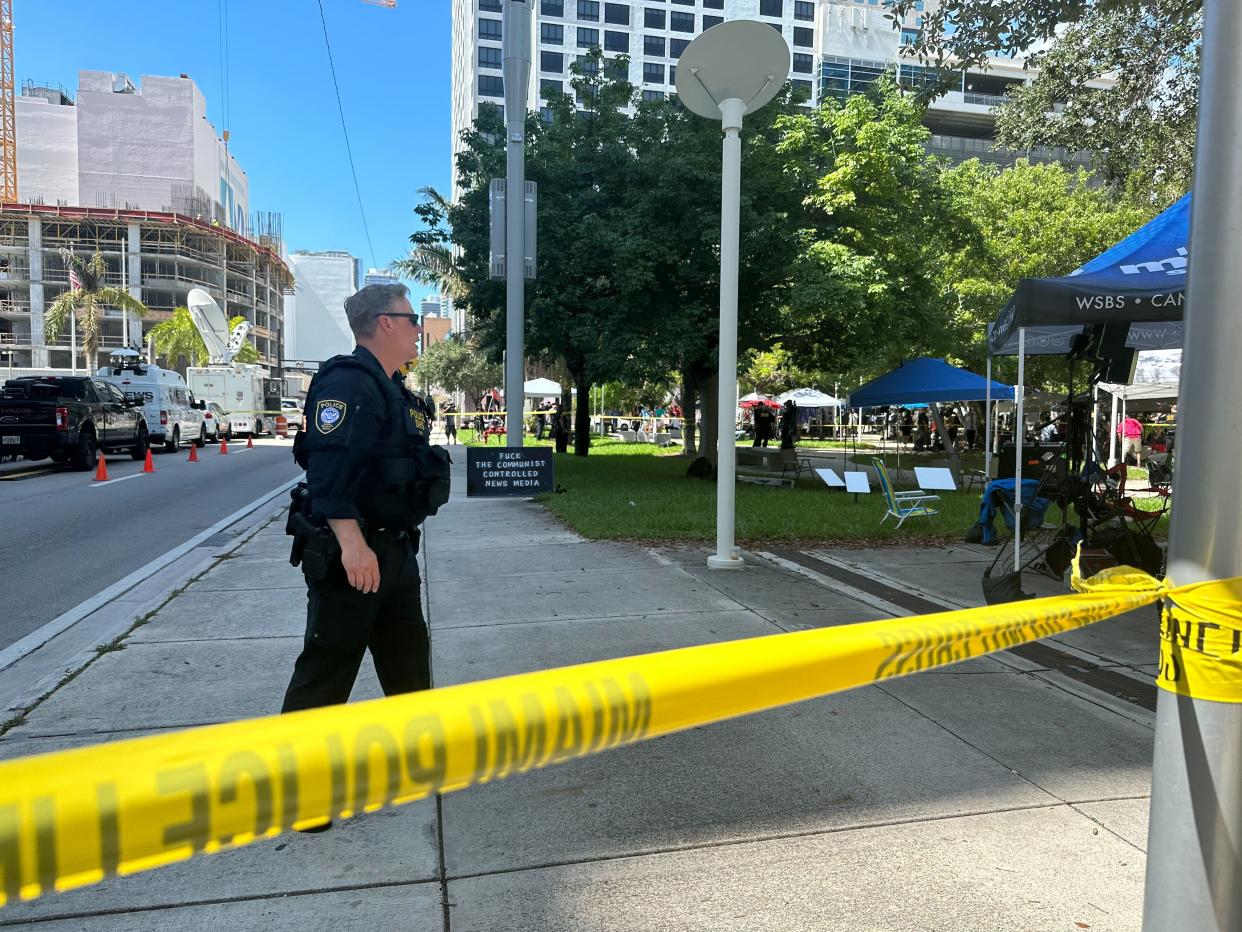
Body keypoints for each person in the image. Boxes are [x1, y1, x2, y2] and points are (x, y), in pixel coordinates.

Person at [281, 284, 449, 834]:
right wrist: (353, 546)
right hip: (356, 555)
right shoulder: (349, 384)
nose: (418, 327)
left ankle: (416, 761)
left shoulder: (391, 387)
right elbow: (327, 478)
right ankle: (303, 794)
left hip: (394, 550)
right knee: (328, 669)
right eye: (410, 317)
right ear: (383, 323)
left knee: (407, 657)